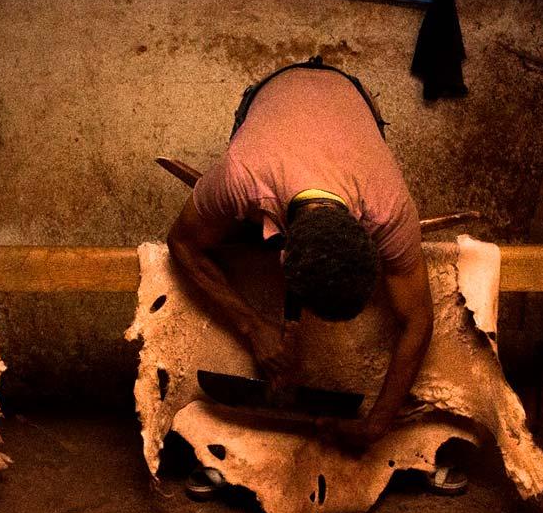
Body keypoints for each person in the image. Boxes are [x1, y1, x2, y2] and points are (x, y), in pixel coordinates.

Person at [167, 58, 434, 451]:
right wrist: (253, 326)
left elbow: (418, 319)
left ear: (367, 234)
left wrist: (376, 426)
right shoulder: (242, 174)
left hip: (353, 99)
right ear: (282, 253)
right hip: (274, 89)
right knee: (238, 234)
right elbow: (182, 244)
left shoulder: (389, 206)